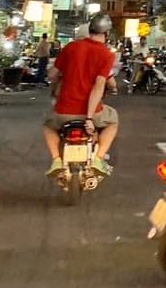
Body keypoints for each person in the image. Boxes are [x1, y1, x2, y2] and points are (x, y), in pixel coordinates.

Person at [43, 14, 119, 178]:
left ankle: (56, 160)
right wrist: (89, 118)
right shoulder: (107, 55)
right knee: (113, 120)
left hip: (63, 111)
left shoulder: (71, 47)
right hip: (91, 113)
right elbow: (99, 87)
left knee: (48, 125)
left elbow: (52, 74)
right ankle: (98, 159)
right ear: (106, 33)